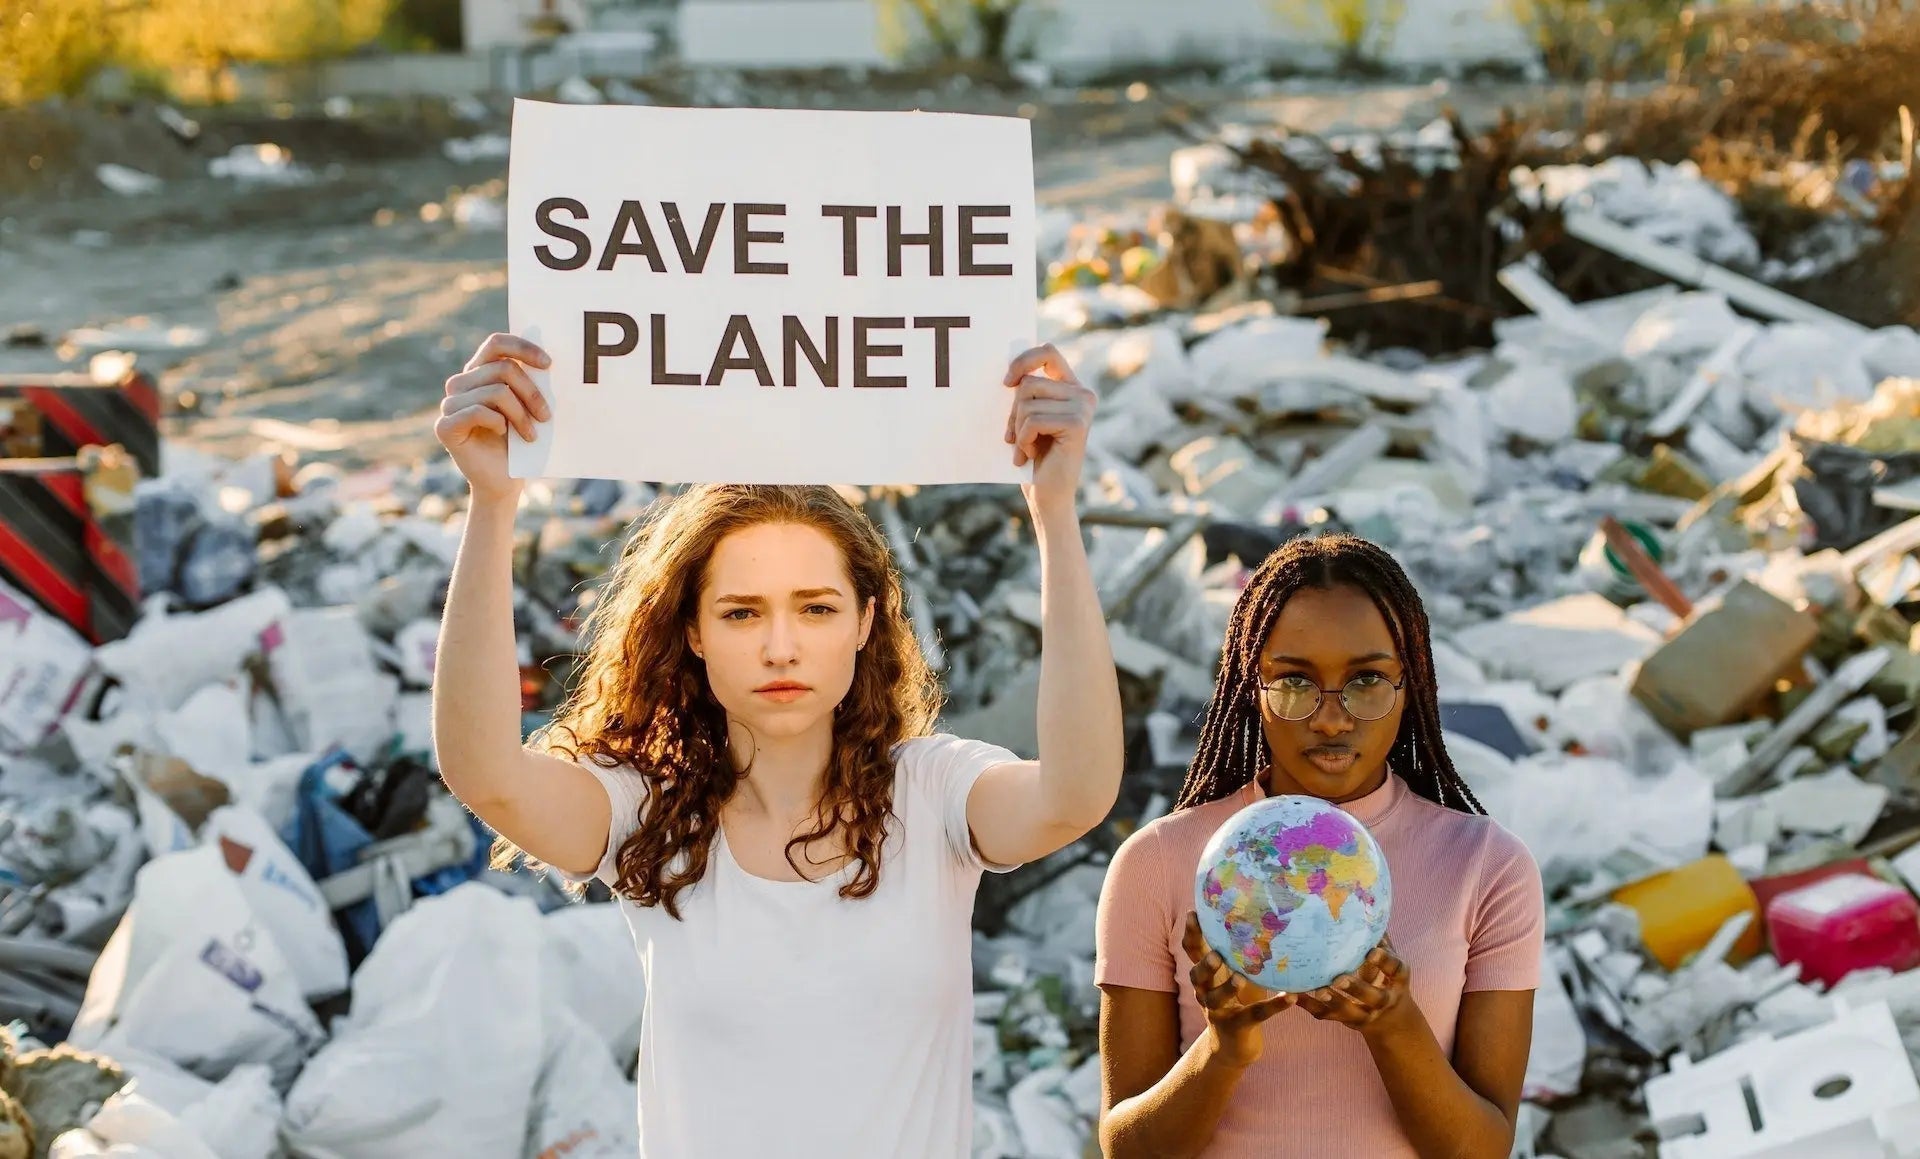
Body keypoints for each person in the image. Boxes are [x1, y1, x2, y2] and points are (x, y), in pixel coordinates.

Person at [426, 332, 1126, 1158]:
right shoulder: (645, 809)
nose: (781, 646)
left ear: (867, 622)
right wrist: (492, 502)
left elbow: (1076, 792)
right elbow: (485, 773)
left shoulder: (933, 791)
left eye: (818, 608)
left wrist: (1055, 510)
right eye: (742, 611)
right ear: (692, 630)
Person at [1093, 532, 1545, 1159]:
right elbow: (1126, 1149)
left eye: (1367, 680)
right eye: (1295, 682)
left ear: (1410, 685)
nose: (1331, 718)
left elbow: (1483, 1150)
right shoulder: (1159, 863)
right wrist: (1224, 1049)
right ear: (1252, 687)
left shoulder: (1487, 867)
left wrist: (1394, 1025)